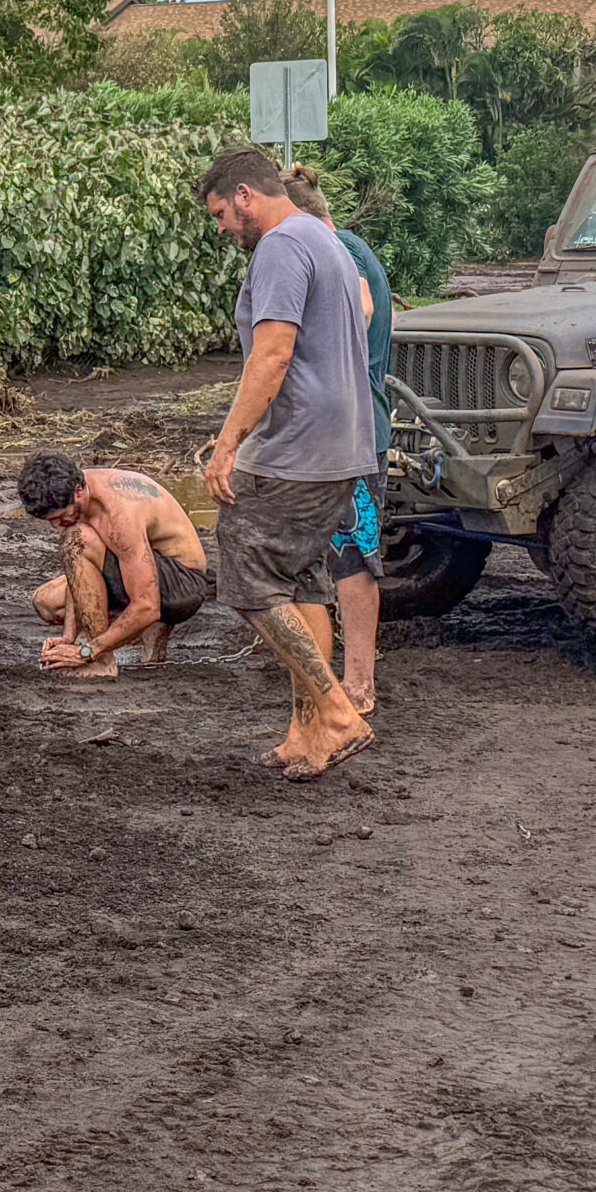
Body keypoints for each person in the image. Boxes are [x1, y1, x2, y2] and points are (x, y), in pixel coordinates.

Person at [197, 144, 378, 781]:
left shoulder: (278, 245)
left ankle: (334, 713)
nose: (222, 228)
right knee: (299, 582)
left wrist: (227, 444)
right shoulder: (324, 238)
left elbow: (272, 355)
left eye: (221, 213)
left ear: (245, 195)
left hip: (299, 447)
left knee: (245, 570)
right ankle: (307, 730)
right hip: (343, 445)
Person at [281, 164, 391, 715]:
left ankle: (360, 683)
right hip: (345, 430)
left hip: (354, 431)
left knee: (353, 554)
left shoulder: (337, 250)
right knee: (335, 552)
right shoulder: (344, 243)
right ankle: (338, 674)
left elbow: (362, 305)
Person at [19, 454, 210, 677]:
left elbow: (148, 605)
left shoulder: (119, 516)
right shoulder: (76, 489)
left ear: (78, 493)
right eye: (50, 520)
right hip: (146, 569)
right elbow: (79, 572)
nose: (55, 526)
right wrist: (68, 637)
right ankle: (145, 629)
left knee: (76, 539)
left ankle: (102, 663)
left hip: (182, 584)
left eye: (60, 517)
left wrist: (86, 652)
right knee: (47, 602)